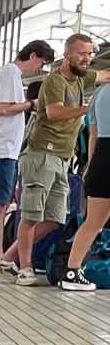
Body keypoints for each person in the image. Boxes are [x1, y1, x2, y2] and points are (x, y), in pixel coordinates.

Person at [14, 33, 110, 288]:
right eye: (82, 54)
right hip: (41, 154)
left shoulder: (84, 80)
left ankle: (13, 257)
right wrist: (86, 109)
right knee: (31, 215)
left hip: (68, 158)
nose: (87, 58)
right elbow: (54, 112)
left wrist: (89, 164)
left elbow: (103, 76)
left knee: (58, 218)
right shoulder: (55, 81)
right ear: (67, 55)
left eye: (90, 54)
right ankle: (23, 267)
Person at [0, 41, 55, 278]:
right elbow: (4, 109)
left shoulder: (9, 74)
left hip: (3, 150)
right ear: (33, 55)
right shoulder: (9, 73)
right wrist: (31, 104)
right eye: (41, 63)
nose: (39, 68)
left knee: (1, 205)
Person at [59, 68, 110, 292]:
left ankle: (72, 271)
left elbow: (93, 134)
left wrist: (90, 165)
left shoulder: (99, 93)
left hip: (101, 157)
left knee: (93, 222)